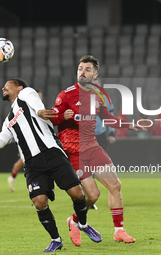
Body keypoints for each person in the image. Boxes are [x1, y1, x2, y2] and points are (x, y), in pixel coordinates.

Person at [0, 78, 102, 252]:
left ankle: (83, 224)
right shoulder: (9, 119)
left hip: (51, 152)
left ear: (19, 87)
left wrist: (39, 111)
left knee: (77, 193)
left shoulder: (26, 94)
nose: (3, 87)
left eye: (8, 85)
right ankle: (56, 239)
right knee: (39, 202)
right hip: (32, 164)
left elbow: (35, 102)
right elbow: (3, 138)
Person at [50, 55, 146, 247]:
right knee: (93, 195)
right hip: (74, 151)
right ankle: (74, 221)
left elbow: (107, 118)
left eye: (87, 69)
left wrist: (129, 125)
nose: (82, 72)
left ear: (95, 74)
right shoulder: (66, 94)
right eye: (80, 68)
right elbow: (51, 118)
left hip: (92, 146)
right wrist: (61, 116)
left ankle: (119, 231)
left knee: (115, 185)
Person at [7, 90, 43, 192]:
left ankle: (36, 183)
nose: (39, 99)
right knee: (25, 160)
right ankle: (29, 183)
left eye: (40, 97)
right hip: (26, 139)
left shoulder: (39, 109)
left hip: (37, 139)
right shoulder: (25, 109)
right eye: (37, 97)